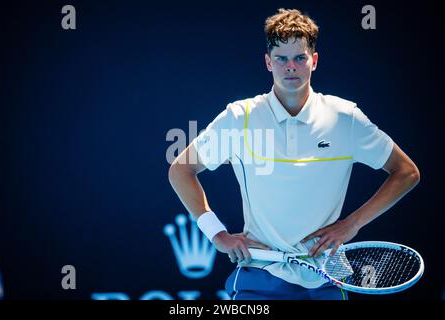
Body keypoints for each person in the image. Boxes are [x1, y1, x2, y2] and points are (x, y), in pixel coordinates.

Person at [168, 8, 420, 300]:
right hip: (261, 272)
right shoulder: (240, 117)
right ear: (268, 62)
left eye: (300, 58)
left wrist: (351, 225)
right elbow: (181, 169)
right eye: (281, 58)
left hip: (327, 273)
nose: (291, 67)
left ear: (314, 61)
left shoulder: (345, 117)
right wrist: (217, 234)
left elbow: (406, 172)